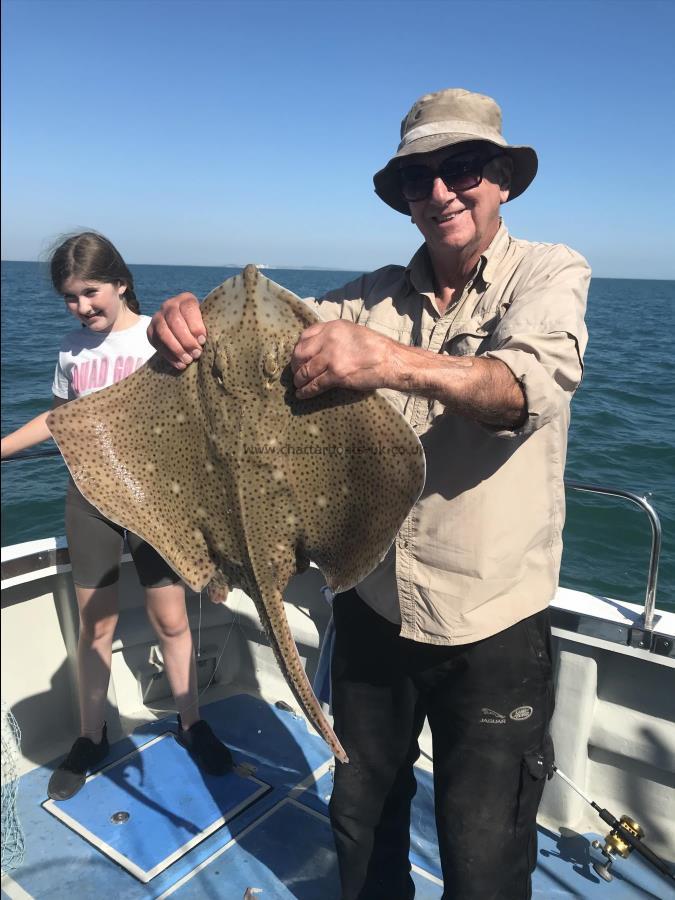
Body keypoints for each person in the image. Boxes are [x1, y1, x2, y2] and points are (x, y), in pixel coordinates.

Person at [146, 88, 590, 900]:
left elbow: (525, 390)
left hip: (489, 621)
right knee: (360, 818)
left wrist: (386, 361)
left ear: (500, 179)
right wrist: (179, 321)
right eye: (419, 180)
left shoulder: (550, 272)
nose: (441, 192)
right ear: (403, 199)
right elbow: (264, 337)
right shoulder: (368, 293)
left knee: (484, 850)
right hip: (372, 603)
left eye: (461, 169)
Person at [1, 231, 233, 800]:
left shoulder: (164, 337)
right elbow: (62, 421)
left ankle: (190, 722)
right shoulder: (69, 348)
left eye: (90, 292)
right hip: (90, 499)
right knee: (95, 625)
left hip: (157, 501)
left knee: (171, 620)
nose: (81, 307)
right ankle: (90, 735)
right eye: (70, 299)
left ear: (121, 282)